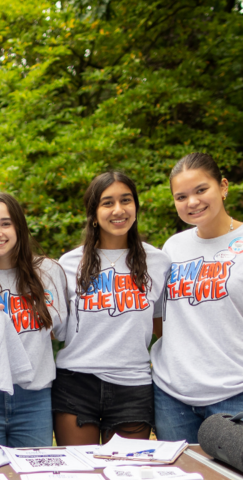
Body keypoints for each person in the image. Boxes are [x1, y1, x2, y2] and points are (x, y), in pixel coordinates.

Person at [151, 152, 243, 480]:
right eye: (181, 196)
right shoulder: (173, 247)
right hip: (173, 396)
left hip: (232, 398)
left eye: (200, 190)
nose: (192, 202)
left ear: (223, 186)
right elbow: (162, 320)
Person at [52, 171, 169, 445]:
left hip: (133, 384)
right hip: (75, 382)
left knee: (127, 477)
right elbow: (56, 329)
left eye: (126, 200)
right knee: (82, 473)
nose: (118, 210)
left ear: (136, 207)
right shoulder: (69, 264)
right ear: (93, 213)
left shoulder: (159, 262)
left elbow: (161, 326)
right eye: (107, 203)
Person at [0, 193, 67, 447]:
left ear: (19, 226)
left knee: (34, 478)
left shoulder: (48, 272)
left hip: (34, 399)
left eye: (5, 223)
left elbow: (61, 330)